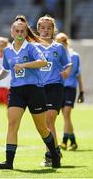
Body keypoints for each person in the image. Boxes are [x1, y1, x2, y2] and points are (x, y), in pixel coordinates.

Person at [0, 15, 61, 169]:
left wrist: (24, 65)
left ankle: (54, 154)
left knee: (41, 128)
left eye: (23, 31)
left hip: (34, 90)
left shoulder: (32, 47)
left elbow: (43, 62)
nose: (20, 33)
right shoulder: (8, 51)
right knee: (12, 123)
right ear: (12, 32)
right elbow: (6, 69)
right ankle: (9, 162)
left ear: (25, 32)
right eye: (17, 31)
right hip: (17, 91)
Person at [36, 15, 72, 166]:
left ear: (53, 30)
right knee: (44, 124)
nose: (45, 30)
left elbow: (68, 64)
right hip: (38, 87)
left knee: (50, 119)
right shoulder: (32, 46)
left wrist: (67, 71)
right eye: (43, 28)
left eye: (49, 28)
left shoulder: (58, 47)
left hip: (55, 86)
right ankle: (54, 150)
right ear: (38, 29)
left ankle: (50, 155)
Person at [55, 32, 84, 151]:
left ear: (65, 42)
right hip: (59, 87)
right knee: (66, 116)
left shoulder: (74, 56)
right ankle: (73, 141)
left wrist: (82, 91)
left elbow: (78, 74)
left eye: (60, 42)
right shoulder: (56, 55)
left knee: (66, 114)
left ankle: (64, 141)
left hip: (70, 88)